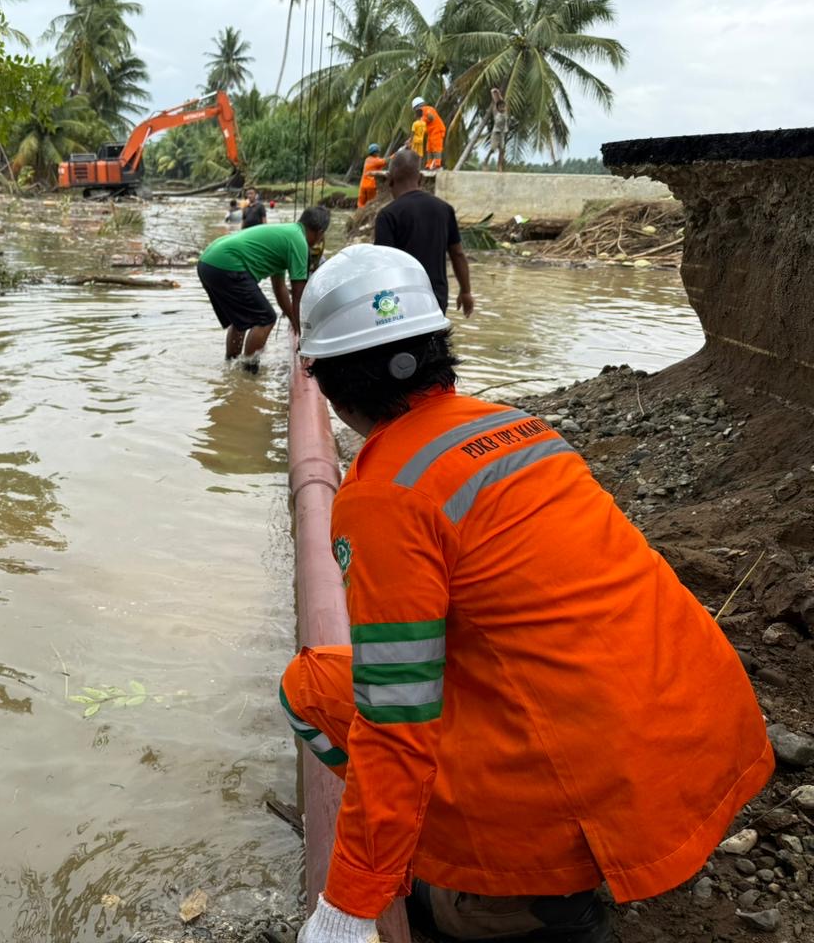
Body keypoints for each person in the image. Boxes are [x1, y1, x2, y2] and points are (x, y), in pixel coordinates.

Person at [288, 244, 774, 943]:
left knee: (313, 687)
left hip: (582, 775)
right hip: (692, 735)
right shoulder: (518, 429)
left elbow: (397, 720)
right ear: (437, 348)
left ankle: (512, 900)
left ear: (328, 383)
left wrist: (349, 903)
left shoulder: (385, 494)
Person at [196, 207, 330, 365]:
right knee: (266, 319)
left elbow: (280, 289)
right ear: (320, 232)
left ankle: (231, 366)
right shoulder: (299, 242)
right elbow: (298, 296)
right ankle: (249, 370)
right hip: (227, 265)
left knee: (240, 320)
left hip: (207, 262)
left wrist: (294, 322)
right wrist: (304, 338)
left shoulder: (287, 234)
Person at [373, 148, 474, 317]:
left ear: (390, 180)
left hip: (401, 302)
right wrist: (466, 292)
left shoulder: (388, 215)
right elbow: (457, 254)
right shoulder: (444, 209)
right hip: (436, 300)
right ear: (420, 178)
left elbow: (383, 267)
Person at [412, 96, 446, 170]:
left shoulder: (428, 109)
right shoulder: (422, 116)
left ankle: (437, 165)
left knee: (436, 148)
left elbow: (431, 118)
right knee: (429, 149)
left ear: (419, 107)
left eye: (415, 110)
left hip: (437, 130)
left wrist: (422, 120)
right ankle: (429, 165)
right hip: (431, 133)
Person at [357, 144, 388, 208]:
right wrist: (401, 150)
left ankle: (359, 216)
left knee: (361, 203)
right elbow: (387, 161)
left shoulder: (367, 159)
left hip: (363, 185)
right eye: (378, 152)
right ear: (376, 152)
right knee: (370, 204)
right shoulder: (376, 161)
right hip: (371, 186)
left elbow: (380, 164)